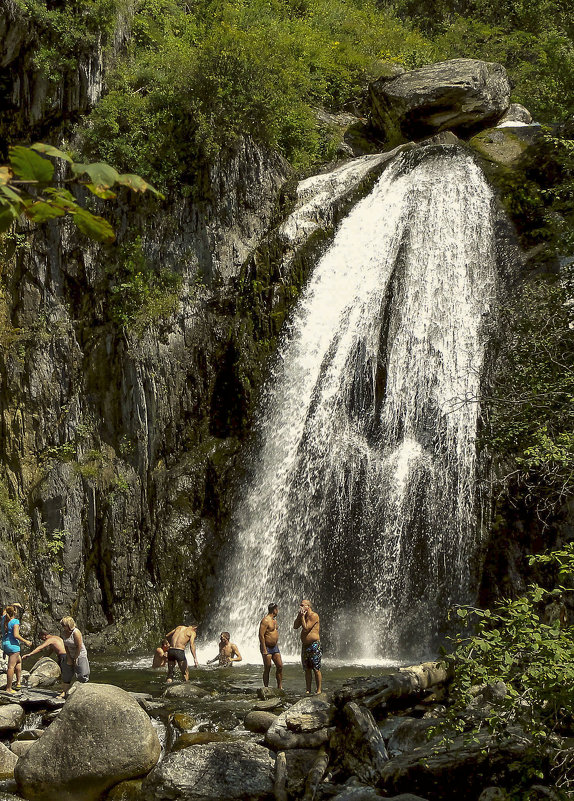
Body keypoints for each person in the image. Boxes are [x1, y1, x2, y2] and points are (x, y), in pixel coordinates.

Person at [294, 599, 322, 694]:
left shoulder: (314, 615)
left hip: (314, 645)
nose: (300, 607)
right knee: (307, 669)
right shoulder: (303, 615)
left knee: (316, 668)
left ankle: (318, 690)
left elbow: (306, 628)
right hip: (305, 646)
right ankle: (308, 689)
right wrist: (299, 616)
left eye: (302, 605)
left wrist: (302, 616)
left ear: (308, 606)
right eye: (300, 605)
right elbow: (295, 626)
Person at [1, 605, 32, 693]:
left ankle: (18, 683)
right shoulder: (15, 621)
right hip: (13, 646)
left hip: (5, 644)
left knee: (18, 661)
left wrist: (14, 605)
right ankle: (8, 688)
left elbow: (5, 610)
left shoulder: (4, 619)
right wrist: (26, 641)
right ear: (15, 612)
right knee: (11, 667)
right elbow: (16, 635)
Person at [60, 616, 90, 697]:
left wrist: (76, 658)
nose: (63, 627)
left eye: (64, 625)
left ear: (69, 625)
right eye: (62, 625)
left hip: (80, 654)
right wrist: (69, 657)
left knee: (82, 674)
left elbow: (79, 646)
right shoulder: (63, 633)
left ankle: (84, 693)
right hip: (70, 653)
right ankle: (64, 692)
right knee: (67, 673)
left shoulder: (76, 632)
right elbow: (65, 645)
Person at [259, 603, 283, 689]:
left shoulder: (274, 621)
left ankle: (280, 687)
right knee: (267, 667)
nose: (278, 611)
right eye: (277, 609)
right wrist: (264, 649)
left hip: (275, 647)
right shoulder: (265, 620)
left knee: (280, 666)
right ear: (274, 610)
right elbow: (261, 635)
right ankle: (266, 687)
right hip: (267, 647)